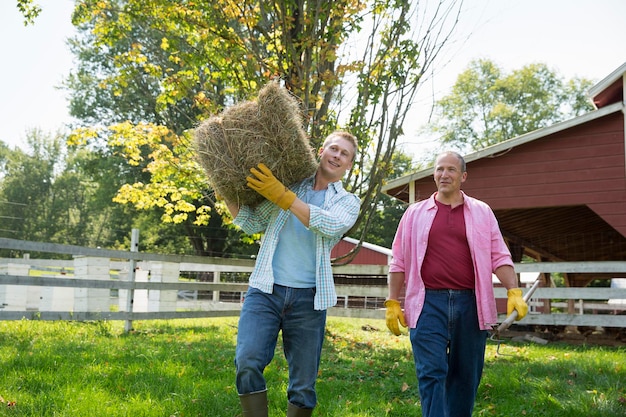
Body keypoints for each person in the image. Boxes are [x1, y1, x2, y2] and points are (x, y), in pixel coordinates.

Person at [224, 131, 360, 417]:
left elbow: (327, 224)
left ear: (349, 165)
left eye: (344, 154)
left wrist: (283, 196)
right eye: (333, 149)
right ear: (321, 151)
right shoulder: (288, 185)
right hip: (265, 291)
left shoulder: (347, 202)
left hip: (308, 300)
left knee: (303, 385)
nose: (337, 155)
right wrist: (223, 186)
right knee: (247, 361)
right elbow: (251, 222)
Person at [384, 151, 528, 417]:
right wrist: (393, 301)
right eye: (439, 169)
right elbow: (399, 260)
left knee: (465, 376)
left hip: (471, 303)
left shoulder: (482, 212)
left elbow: (499, 254)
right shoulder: (414, 214)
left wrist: (514, 291)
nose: (444, 174)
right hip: (427, 302)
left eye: (451, 170)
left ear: (463, 176)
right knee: (431, 373)